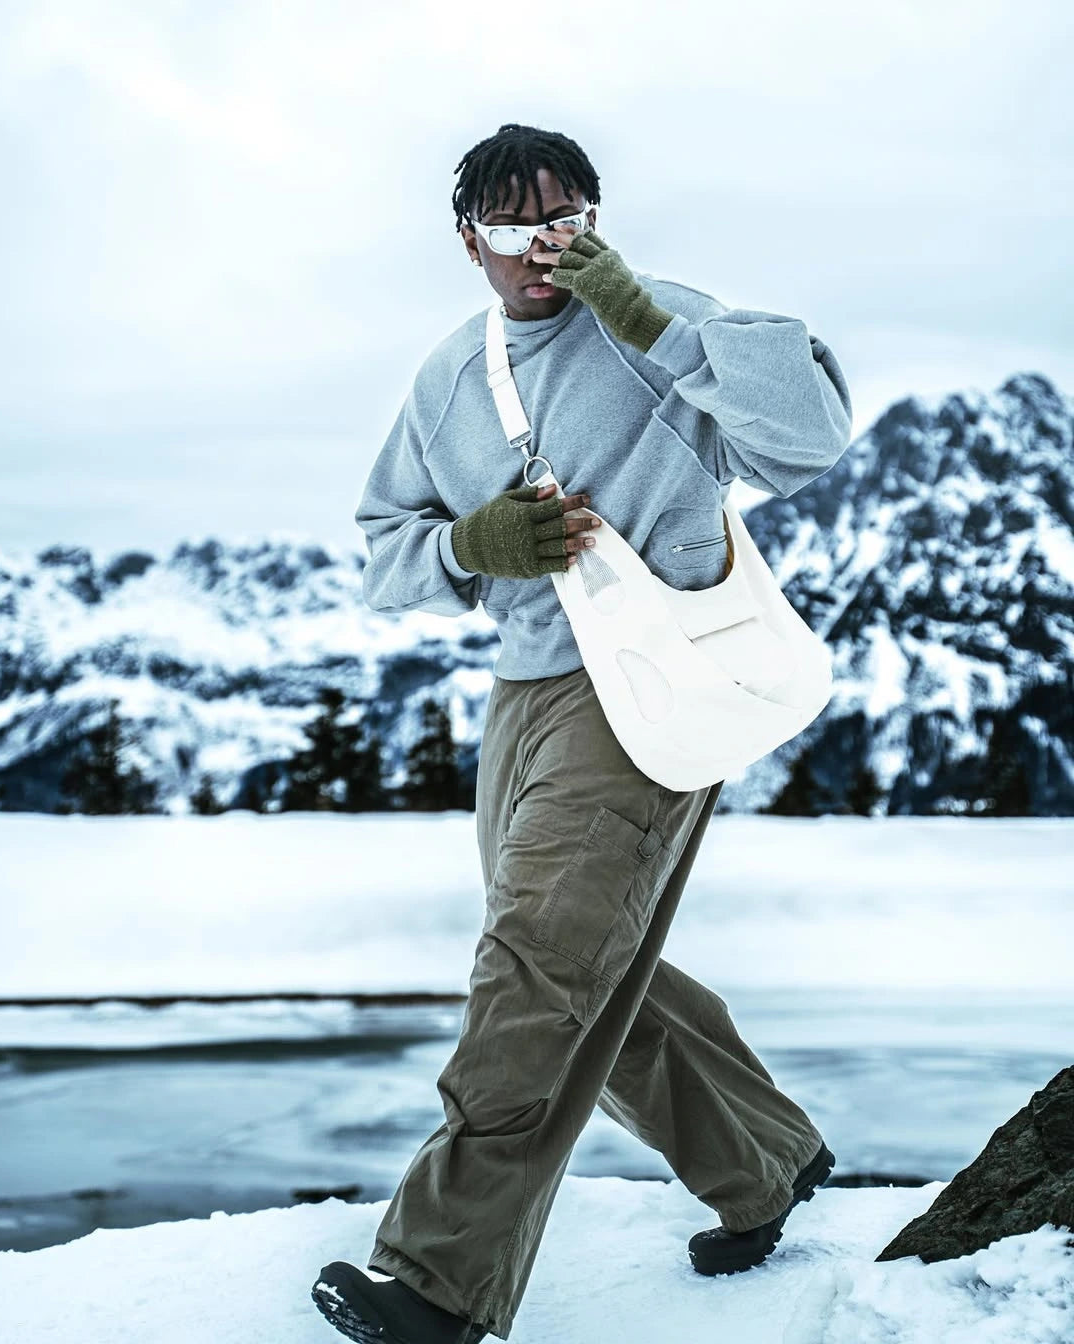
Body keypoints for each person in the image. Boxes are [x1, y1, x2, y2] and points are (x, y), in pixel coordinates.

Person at [312, 123, 851, 1344]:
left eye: (564, 217)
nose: (540, 244)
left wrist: (649, 318)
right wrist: (471, 544)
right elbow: (385, 553)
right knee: (582, 968)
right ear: (470, 242)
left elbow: (809, 443)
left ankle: (438, 1281)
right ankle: (762, 1162)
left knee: (536, 974)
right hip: (526, 697)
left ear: (594, 222)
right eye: (512, 224)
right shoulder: (449, 380)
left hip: (655, 692)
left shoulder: (666, 323)